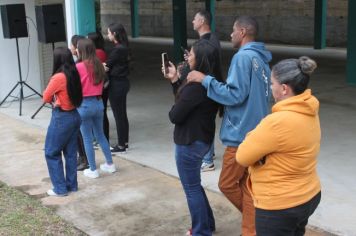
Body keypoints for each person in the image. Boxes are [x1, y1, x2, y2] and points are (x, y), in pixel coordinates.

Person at [187, 16, 272, 236]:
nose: (230, 35)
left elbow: (235, 94)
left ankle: (255, 225)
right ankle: (252, 226)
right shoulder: (261, 59)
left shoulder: (242, 58)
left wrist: (204, 79)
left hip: (242, 135)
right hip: (257, 132)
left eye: (233, 31)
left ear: (243, 32)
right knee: (245, 185)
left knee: (227, 183)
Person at [236, 56, 321, 235]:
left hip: (280, 206)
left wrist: (252, 134)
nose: (270, 87)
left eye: (272, 83)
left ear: (283, 88)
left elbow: (242, 156)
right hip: (308, 195)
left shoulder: (277, 122)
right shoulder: (309, 109)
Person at [163, 39, 223, 236]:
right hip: (202, 140)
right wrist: (175, 81)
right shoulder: (211, 82)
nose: (188, 57)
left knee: (191, 189)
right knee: (194, 185)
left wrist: (180, 86)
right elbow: (186, 103)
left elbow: (175, 115)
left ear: (201, 59)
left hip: (190, 142)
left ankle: (201, 231)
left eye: (191, 54)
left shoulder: (194, 87)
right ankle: (207, 224)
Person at [43, 47, 83, 196]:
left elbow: (45, 97)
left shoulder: (59, 77)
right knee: (71, 154)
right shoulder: (74, 73)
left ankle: (60, 189)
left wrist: (56, 100)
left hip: (62, 118)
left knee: (51, 152)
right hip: (74, 116)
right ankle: (72, 185)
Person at [76, 38, 117, 179]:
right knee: (100, 135)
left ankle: (93, 169)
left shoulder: (79, 67)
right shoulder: (99, 64)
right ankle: (110, 164)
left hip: (84, 105)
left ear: (80, 50)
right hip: (99, 103)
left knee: (87, 138)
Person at [191, 10, 222, 172]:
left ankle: (207, 159)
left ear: (202, 21)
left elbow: (208, 66)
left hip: (208, 87)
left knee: (205, 122)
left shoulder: (207, 41)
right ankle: (210, 153)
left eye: (195, 19)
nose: (192, 22)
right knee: (208, 121)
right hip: (212, 85)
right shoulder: (212, 39)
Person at [105, 23, 130, 154]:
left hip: (117, 84)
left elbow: (107, 66)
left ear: (114, 34)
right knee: (122, 114)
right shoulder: (124, 47)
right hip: (122, 83)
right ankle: (124, 141)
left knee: (118, 115)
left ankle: (121, 145)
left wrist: (102, 66)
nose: (108, 35)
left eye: (109, 33)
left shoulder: (118, 49)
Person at [70, 35, 89, 171]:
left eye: (72, 45)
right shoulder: (93, 63)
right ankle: (85, 158)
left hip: (81, 103)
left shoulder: (78, 65)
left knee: (80, 133)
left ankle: (84, 158)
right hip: (93, 102)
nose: (70, 47)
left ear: (77, 48)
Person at [87, 31, 110, 142]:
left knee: (102, 113)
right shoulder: (96, 51)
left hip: (101, 88)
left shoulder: (99, 52)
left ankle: (103, 137)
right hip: (99, 87)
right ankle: (99, 137)